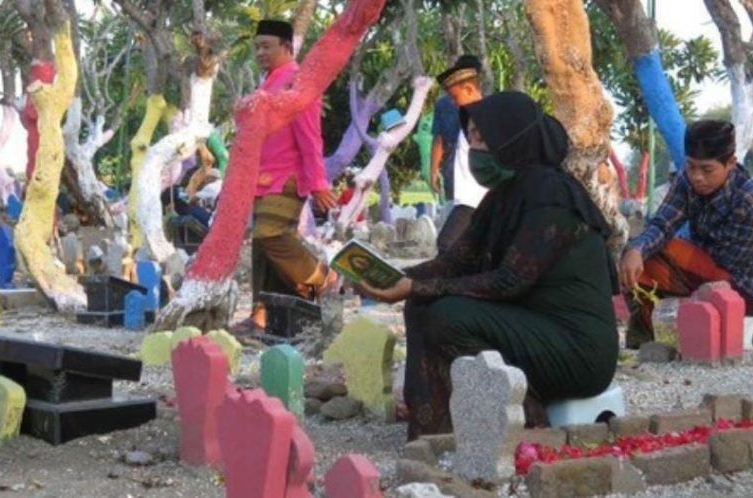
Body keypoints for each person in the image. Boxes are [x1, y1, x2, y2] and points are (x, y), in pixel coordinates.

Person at [355, 92, 619, 439]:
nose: (474, 148)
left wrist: (415, 287)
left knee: (448, 316)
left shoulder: (550, 196)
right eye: (472, 137)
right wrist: (394, 279)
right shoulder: (506, 195)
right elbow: (454, 263)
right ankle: (432, 430)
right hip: (533, 328)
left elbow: (509, 280)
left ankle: (526, 418)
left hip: (578, 349)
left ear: (512, 138)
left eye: (483, 138)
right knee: (422, 305)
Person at [620, 120, 753, 349]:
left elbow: (731, 266)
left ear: (730, 163)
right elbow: (662, 224)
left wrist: (678, 269)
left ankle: (669, 328)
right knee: (637, 256)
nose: (697, 176)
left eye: (707, 169)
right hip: (704, 269)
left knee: (663, 250)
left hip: (744, 288)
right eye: (691, 166)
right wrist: (636, 249)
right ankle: (649, 340)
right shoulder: (687, 181)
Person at [246, 19, 338, 331]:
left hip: (286, 177)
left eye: (266, 46)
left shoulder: (297, 82)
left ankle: (325, 279)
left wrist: (318, 182)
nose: (260, 52)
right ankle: (261, 316)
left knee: (269, 235)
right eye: (257, 47)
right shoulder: (267, 82)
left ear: (287, 47)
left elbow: (311, 137)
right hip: (260, 179)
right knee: (261, 248)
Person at [430, 55, 488, 253]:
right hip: (462, 189)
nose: (453, 104)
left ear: (470, 88)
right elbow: (439, 140)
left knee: (447, 244)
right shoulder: (468, 117)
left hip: (474, 197)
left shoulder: (486, 117)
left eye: (455, 98)